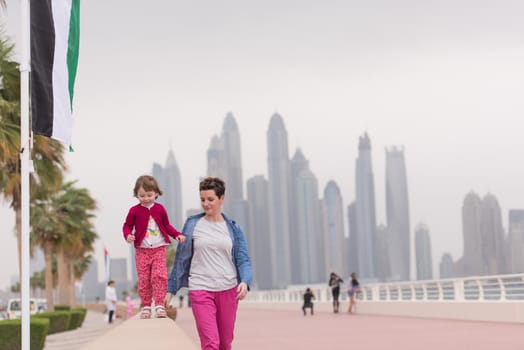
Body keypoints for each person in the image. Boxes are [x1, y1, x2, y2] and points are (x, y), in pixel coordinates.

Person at [165, 177, 253, 350]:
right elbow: (181, 260)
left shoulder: (234, 229)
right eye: (203, 199)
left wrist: (245, 282)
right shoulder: (192, 225)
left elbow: (243, 259)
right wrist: (171, 289)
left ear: (221, 199)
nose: (206, 204)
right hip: (200, 288)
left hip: (228, 289)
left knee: (225, 344)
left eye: (210, 199)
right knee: (211, 344)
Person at [123, 175, 186, 319]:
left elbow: (167, 226)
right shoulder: (134, 211)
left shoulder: (160, 209)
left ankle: (159, 305)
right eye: (142, 196)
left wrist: (176, 235)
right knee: (144, 279)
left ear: (156, 193)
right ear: (136, 195)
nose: (146, 198)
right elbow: (127, 226)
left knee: (159, 276)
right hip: (142, 251)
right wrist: (128, 235)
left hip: (159, 249)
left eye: (149, 195)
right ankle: (146, 306)